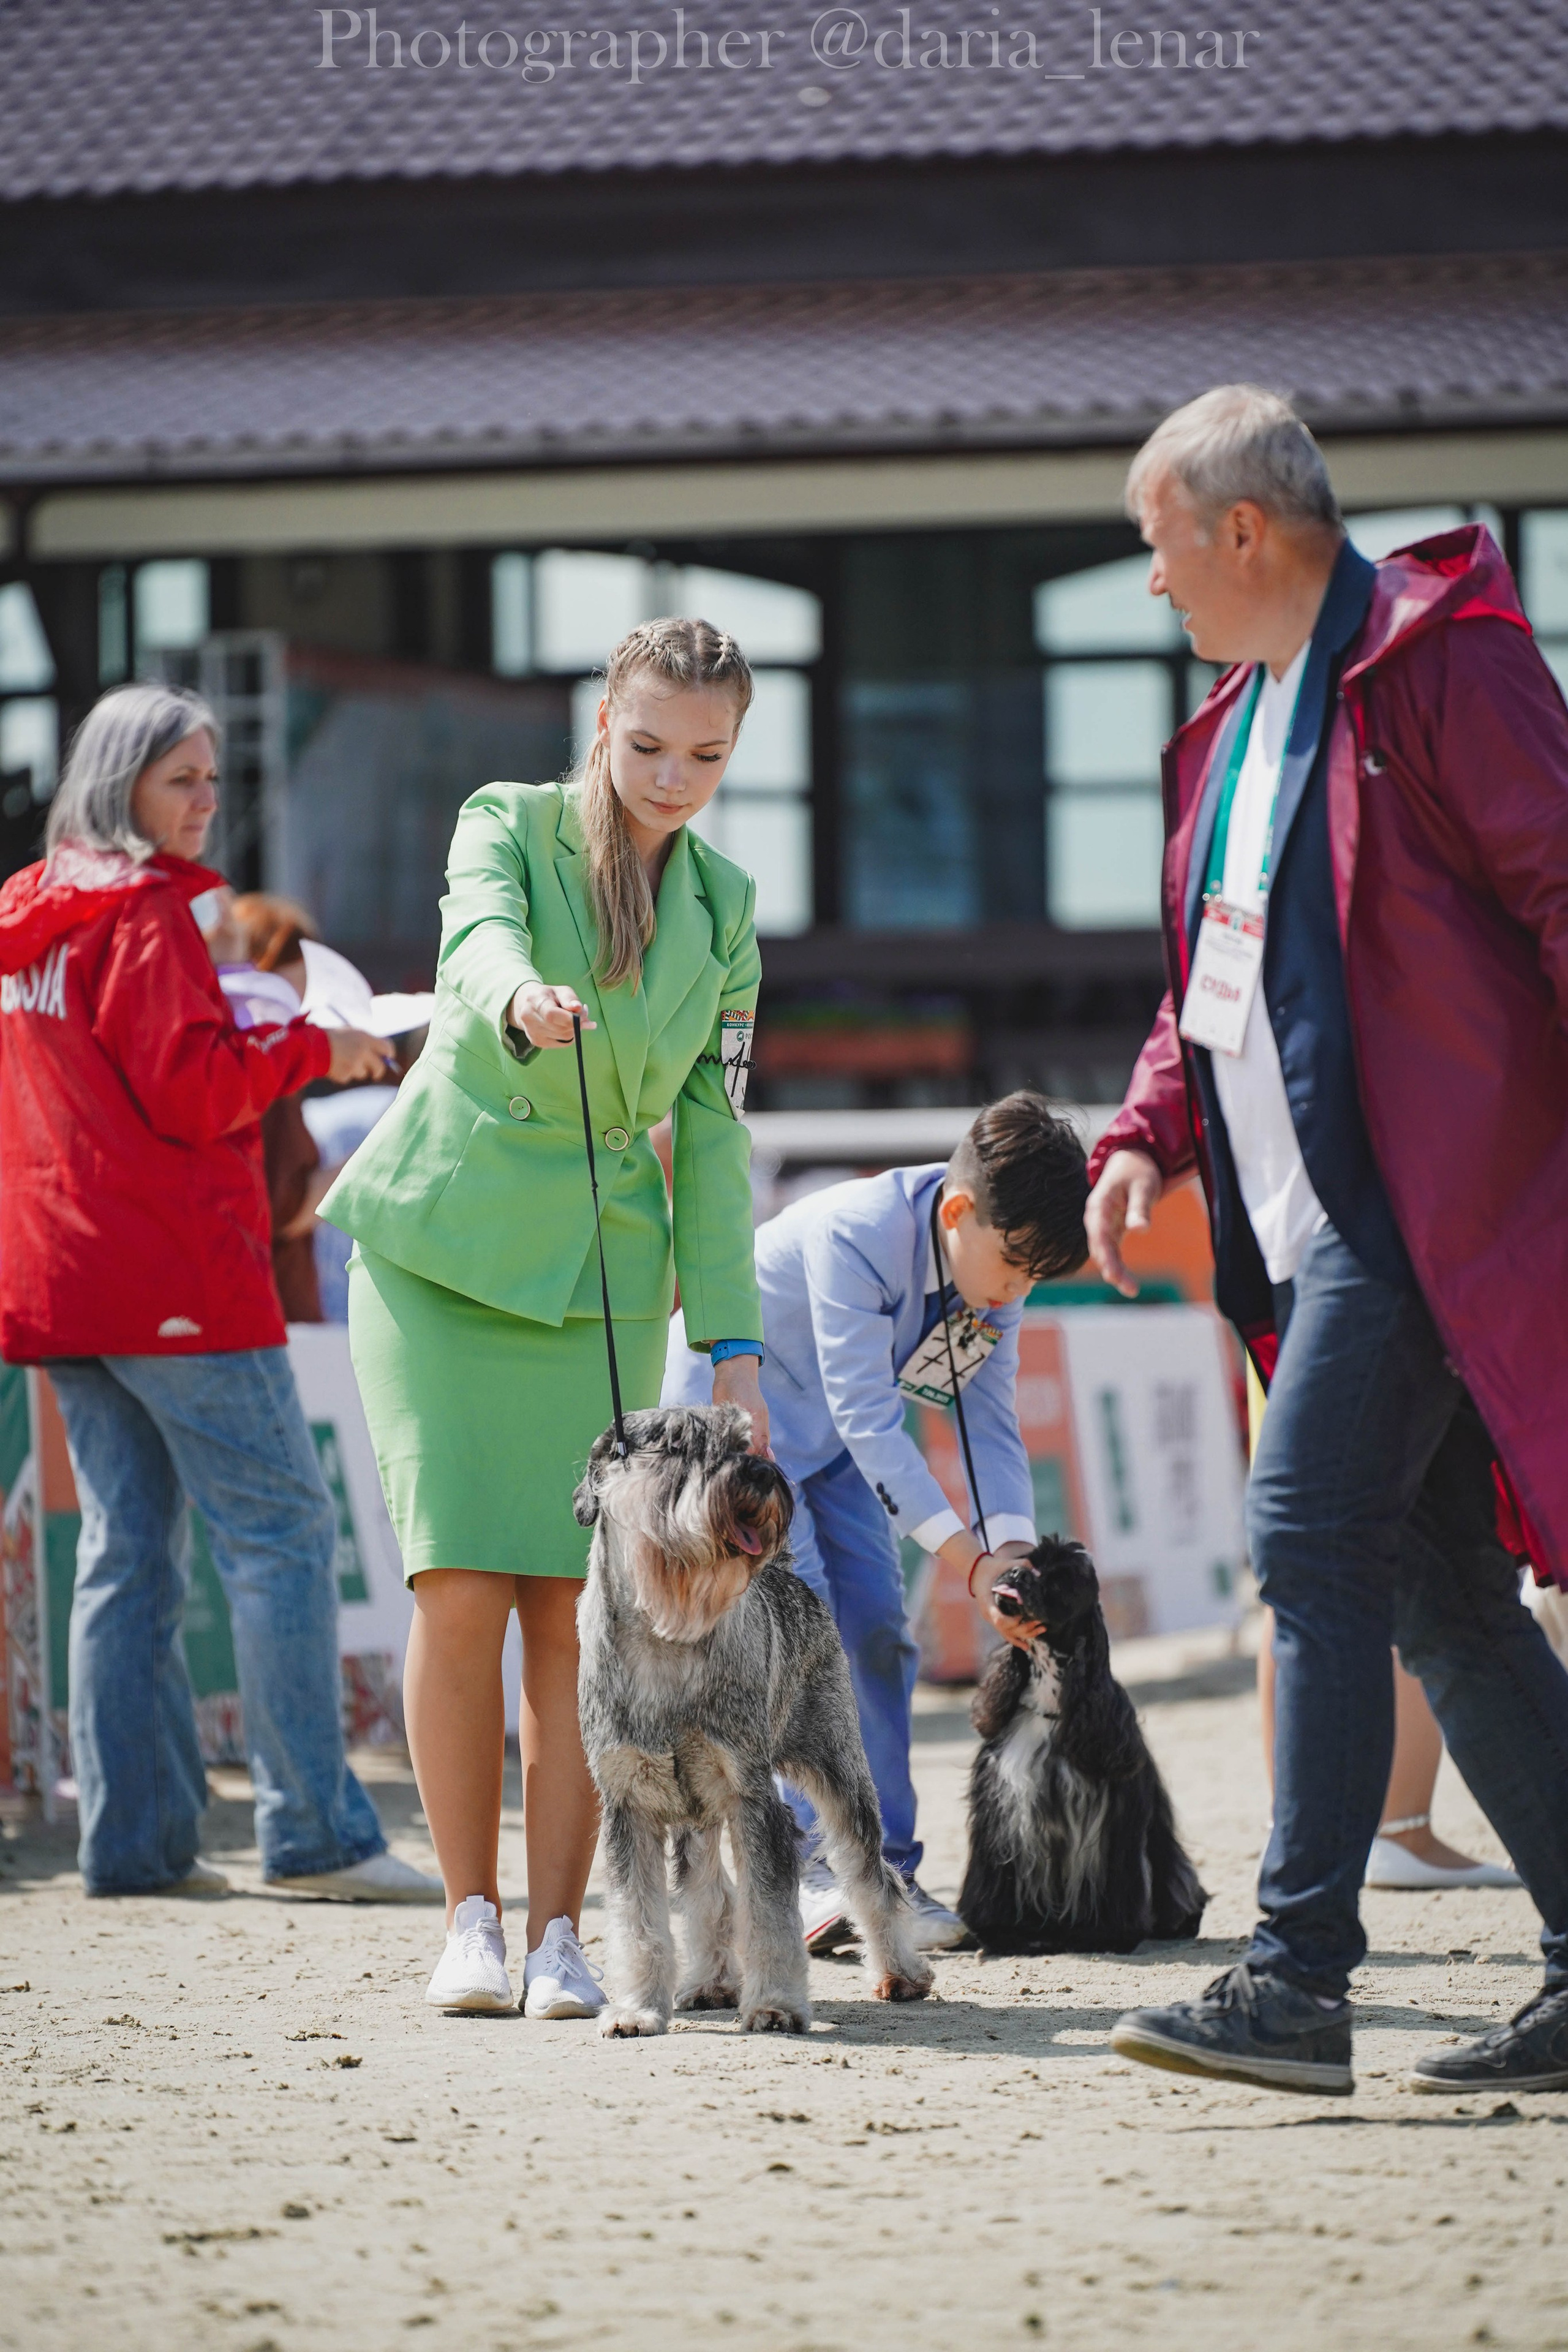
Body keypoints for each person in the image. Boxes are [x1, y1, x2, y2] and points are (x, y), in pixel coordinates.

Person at [1085, 386, 1568, 2098]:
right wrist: (1142, 1130)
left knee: (1304, 1533)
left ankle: (1295, 1979)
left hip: (1424, 1207)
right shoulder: (1239, 719)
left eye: (1157, 545)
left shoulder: (1441, 664)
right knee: (1442, 1596)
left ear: (1242, 529)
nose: (1152, 583)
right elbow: (1205, 980)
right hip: (1304, 1224)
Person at [320, 617, 769, 2021]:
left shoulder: (727, 909)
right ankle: (468, 1918)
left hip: (605, 1287)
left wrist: (736, 1345)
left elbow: (714, 1135)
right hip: (439, 1257)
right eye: (647, 745)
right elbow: (474, 945)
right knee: (459, 1588)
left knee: (579, 1619)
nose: (672, 777)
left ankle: (564, 1936)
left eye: (706, 755)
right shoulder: (504, 825)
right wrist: (518, 997)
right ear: (602, 724)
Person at [0, 683, 439, 1904]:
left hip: (60, 1272)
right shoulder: (150, 911)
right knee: (283, 1533)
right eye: (181, 778)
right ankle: (314, 1836)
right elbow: (193, 1093)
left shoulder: (27, 913)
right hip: (173, 1270)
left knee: (126, 1554)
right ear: (120, 784)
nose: (207, 801)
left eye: (210, 776)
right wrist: (314, 1047)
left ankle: (134, 1845)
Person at [664, 1091, 1090, 1952]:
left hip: (825, 1447)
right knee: (805, 1635)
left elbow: (990, 1422)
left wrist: (1009, 1557)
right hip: (735, 1439)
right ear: (959, 1213)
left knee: (883, 1633)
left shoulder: (993, 1266)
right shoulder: (858, 1230)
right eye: (1014, 1265)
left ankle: (883, 1864)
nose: (1017, 1290)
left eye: (1033, 1276)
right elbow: (870, 1417)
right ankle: (812, 1865)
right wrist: (967, 1562)